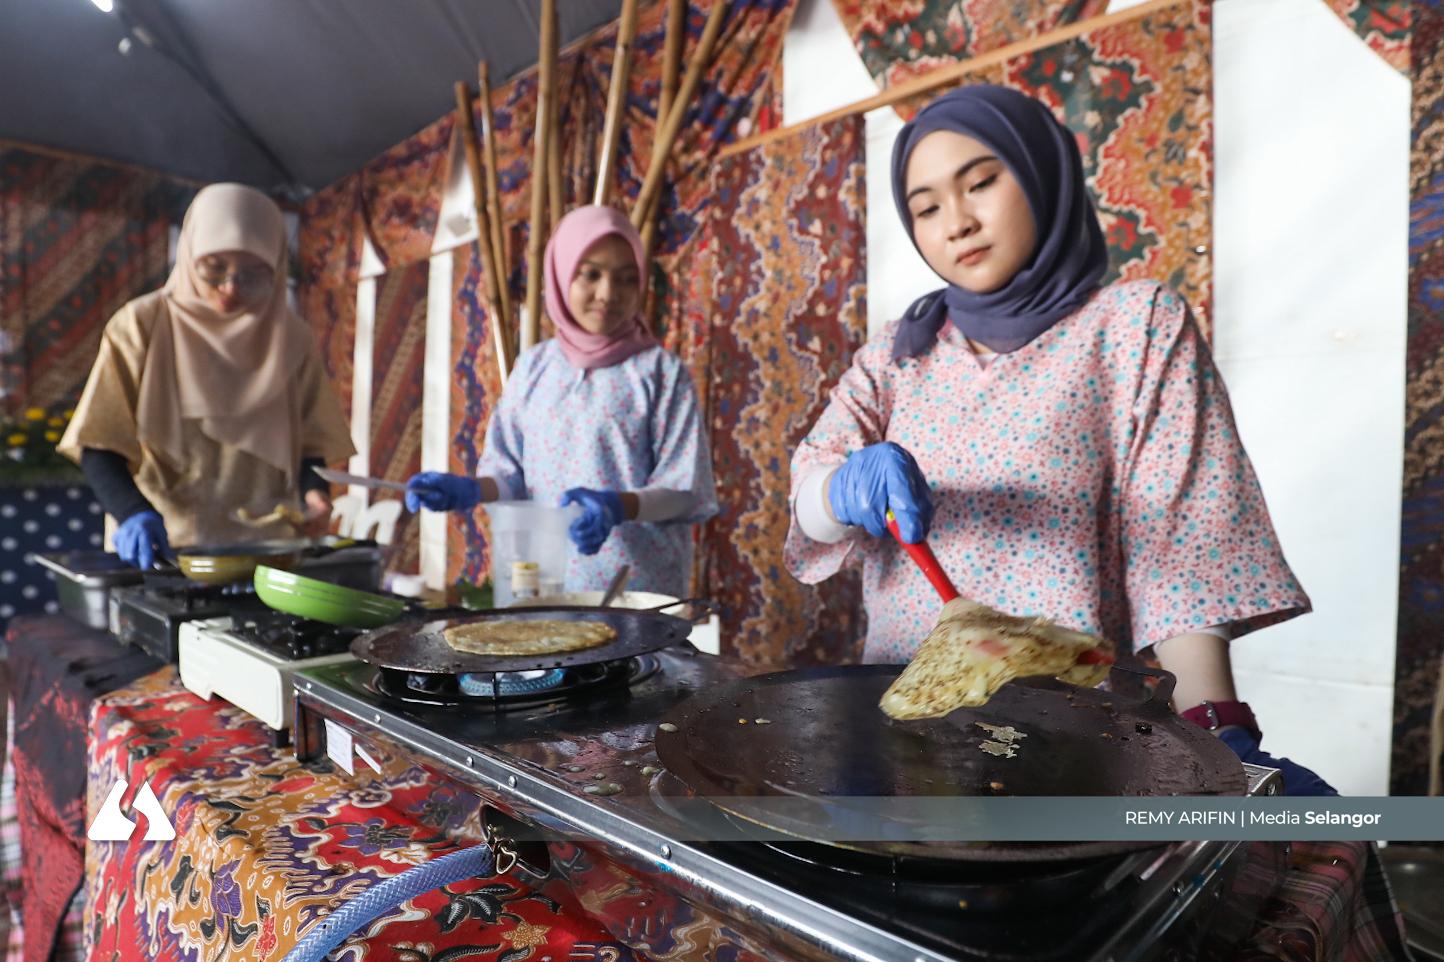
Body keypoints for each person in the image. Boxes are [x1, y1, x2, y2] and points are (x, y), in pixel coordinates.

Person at [784, 85, 1334, 795]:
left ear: (1043, 173)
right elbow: (808, 502)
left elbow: (1185, 553)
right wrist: (839, 488)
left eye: (981, 182)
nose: (956, 222)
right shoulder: (897, 355)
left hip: (1075, 744)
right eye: (925, 208)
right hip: (905, 726)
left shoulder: (1135, 328)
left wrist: (1214, 725)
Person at [406, 204, 716, 597]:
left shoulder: (660, 372)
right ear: (561, 273)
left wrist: (618, 506)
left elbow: (683, 489)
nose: (608, 293)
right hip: (543, 588)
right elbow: (511, 476)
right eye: (591, 274)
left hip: (636, 592)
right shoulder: (534, 367)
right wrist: (471, 490)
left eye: (626, 279)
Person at [58, 183, 355, 567]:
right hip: (167, 547)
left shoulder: (291, 338)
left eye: (251, 275)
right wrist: (133, 513)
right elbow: (99, 444)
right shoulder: (142, 326)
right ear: (188, 253)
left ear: (277, 268)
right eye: (214, 269)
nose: (229, 289)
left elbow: (309, 446)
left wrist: (315, 495)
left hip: (267, 554)